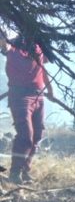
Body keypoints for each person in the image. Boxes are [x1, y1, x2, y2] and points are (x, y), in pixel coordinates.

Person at [2, 36, 53, 184]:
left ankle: (25, 171)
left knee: (37, 136)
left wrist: (50, 90)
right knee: (25, 135)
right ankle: (15, 172)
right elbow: (3, 44)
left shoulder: (38, 45)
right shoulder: (12, 46)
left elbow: (42, 68)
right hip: (20, 95)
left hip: (38, 95)